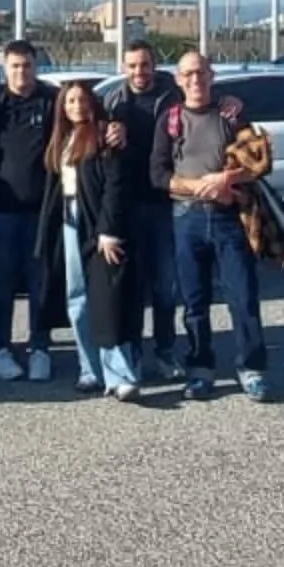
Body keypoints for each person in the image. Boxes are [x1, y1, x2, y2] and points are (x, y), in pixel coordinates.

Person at [150, 50, 271, 403]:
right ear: (178, 79)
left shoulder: (231, 114)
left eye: (201, 73)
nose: (195, 80)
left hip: (229, 220)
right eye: (188, 74)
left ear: (211, 75)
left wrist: (225, 178)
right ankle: (200, 371)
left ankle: (252, 369)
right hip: (185, 218)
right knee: (193, 303)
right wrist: (200, 186)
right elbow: (158, 175)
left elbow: (261, 162)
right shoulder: (170, 120)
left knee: (243, 297)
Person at [37, 81, 140, 400]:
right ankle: (89, 369)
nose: (77, 106)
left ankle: (120, 375)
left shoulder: (104, 134)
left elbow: (115, 186)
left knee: (107, 300)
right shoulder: (61, 139)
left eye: (82, 99)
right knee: (77, 299)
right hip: (69, 223)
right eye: (70, 101)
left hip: (98, 225)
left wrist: (108, 231)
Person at [103, 40, 185, 381]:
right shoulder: (113, 102)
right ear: (123, 67)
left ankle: (165, 352)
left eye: (145, 65)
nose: (140, 72)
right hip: (127, 206)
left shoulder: (174, 97)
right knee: (131, 287)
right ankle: (133, 353)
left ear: (155, 65)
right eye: (133, 65)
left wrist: (232, 102)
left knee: (165, 286)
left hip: (165, 204)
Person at [0, 39, 58, 382]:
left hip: (40, 210)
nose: (21, 72)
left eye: (27, 65)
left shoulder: (51, 99)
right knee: (1, 284)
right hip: (1, 212)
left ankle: (40, 347)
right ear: (4, 68)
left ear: (35, 65)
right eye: (14, 66)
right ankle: (0, 347)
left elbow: (90, 112)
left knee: (39, 283)